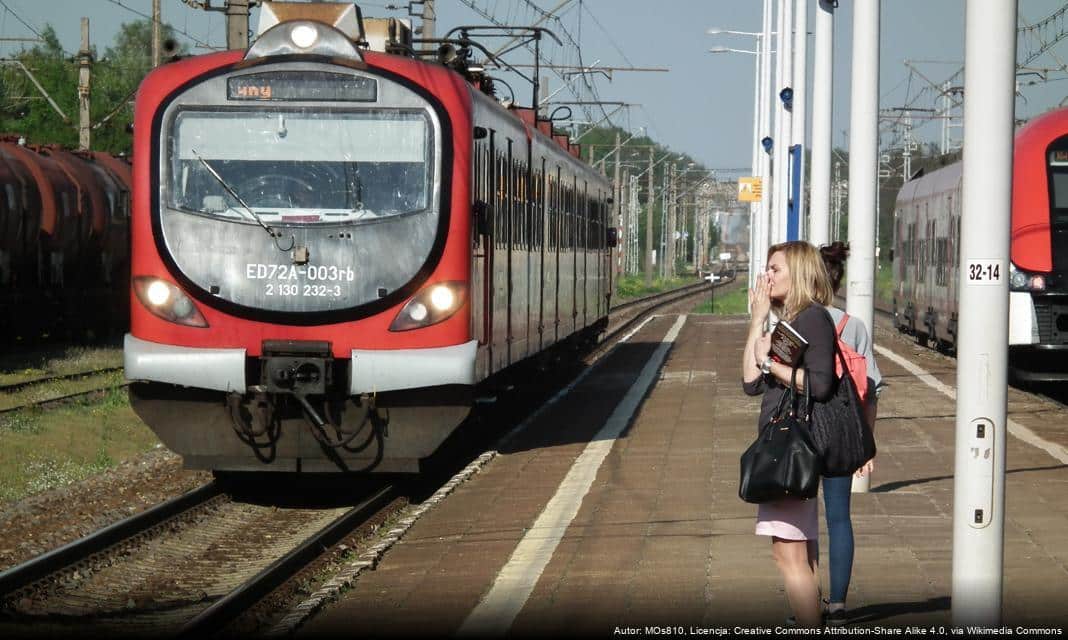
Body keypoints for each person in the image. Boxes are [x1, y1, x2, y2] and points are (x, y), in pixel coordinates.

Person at [742, 240, 837, 628]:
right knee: (803, 555)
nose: (767, 276)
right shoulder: (791, 322)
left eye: (775, 269)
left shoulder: (812, 319)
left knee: (789, 556)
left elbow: (821, 383)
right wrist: (757, 319)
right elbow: (749, 381)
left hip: (791, 450)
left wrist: (771, 365)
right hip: (789, 447)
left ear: (797, 273)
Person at [818, 241, 884, 626]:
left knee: (801, 519)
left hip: (803, 435)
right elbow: (871, 388)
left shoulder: (795, 322)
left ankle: (806, 601)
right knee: (839, 518)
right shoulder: (851, 326)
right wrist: (866, 443)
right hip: (843, 434)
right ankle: (839, 605)